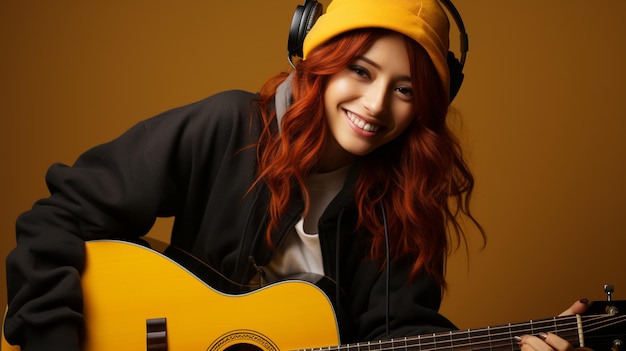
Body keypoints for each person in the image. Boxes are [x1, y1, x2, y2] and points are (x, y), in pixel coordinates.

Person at [3, 0, 588, 350]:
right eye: (360, 70)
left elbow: (401, 337)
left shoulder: (401, 205)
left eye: (405, 89)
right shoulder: (227, 127)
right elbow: (55, 220)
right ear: (318, 60)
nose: (377, 104)